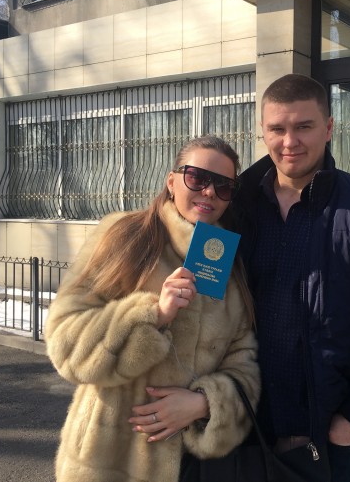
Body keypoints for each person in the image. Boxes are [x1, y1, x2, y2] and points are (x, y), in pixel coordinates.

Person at [233, 73, 350, 482]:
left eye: (304, 126)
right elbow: (206, 302)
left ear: (329, 127)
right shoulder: (236, 206)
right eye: (277, 129)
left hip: (327, 436)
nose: (290, 141)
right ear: (262, 131)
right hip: (245, 427)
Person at [45, 136, 260, 482]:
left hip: (196, 467)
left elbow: (245, 362)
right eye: (197, 178)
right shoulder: (124, 237)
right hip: (110, 460)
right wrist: (153, 315)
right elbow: (64, 343)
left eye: (223, 186)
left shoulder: (230, 265)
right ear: (172, 181)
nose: (209, 192)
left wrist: (205, 403)